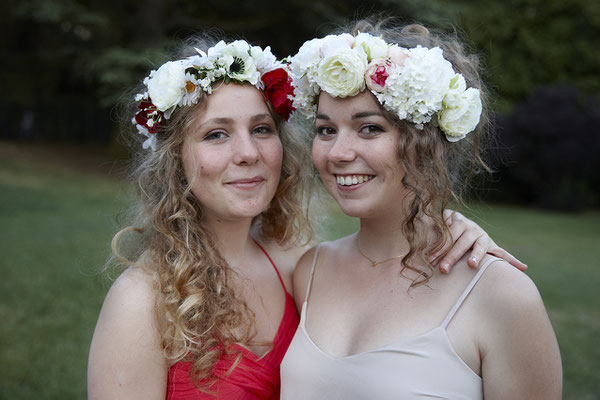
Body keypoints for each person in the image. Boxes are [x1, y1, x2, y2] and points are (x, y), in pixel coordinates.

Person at [87, 35, 527, 399]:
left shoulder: (299, 270)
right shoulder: (141, 299)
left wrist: (445, 223)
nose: (247, 153)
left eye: (262, 129)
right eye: (216, 134)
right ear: (174, 159)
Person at [280, 20, 562, 399]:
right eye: (326, 129)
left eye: (369, 129)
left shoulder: (500, 295)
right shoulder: (309, 272)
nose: (338, 153)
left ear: (429, 144)